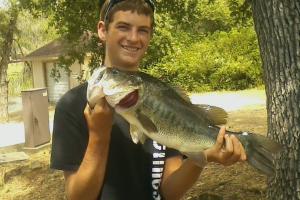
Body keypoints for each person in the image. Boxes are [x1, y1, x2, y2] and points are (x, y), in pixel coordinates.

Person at [50, 0, 247, 200]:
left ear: (150, 36)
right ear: (103, 30)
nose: (134, 38)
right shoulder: (72, 106)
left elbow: (169, 192)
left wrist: (203, 157)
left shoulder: (161, 96)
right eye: (123, 27)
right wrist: (99, 135)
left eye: (143, 30)